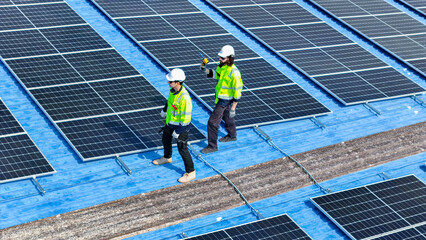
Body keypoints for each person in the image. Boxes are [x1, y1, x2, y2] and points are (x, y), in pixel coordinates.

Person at [152, 68, 195, 183]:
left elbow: (186, 118)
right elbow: (169, 102)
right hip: (170, 123)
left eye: (170, 81)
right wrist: (164, 110)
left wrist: (179, 131)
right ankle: (167, 157)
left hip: (181, 127)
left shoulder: (185, 98)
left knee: (182, 149)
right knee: (165, 139)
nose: (168, 83)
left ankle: (190, 172)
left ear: (177, 82)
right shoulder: (173, 91)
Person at [200, 45, 243, 154]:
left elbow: (237, 91)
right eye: (220, 57)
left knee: (212, 122)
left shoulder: (234, 72)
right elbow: (216, 75)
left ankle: (212, 146)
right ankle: (232, 135)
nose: (220, 59)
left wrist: (233, 108)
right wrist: (204, 68)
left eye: (222, 58)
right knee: (227, 117)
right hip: (221, 98)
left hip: (225, 100)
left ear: (230, 58)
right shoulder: (222, 66)